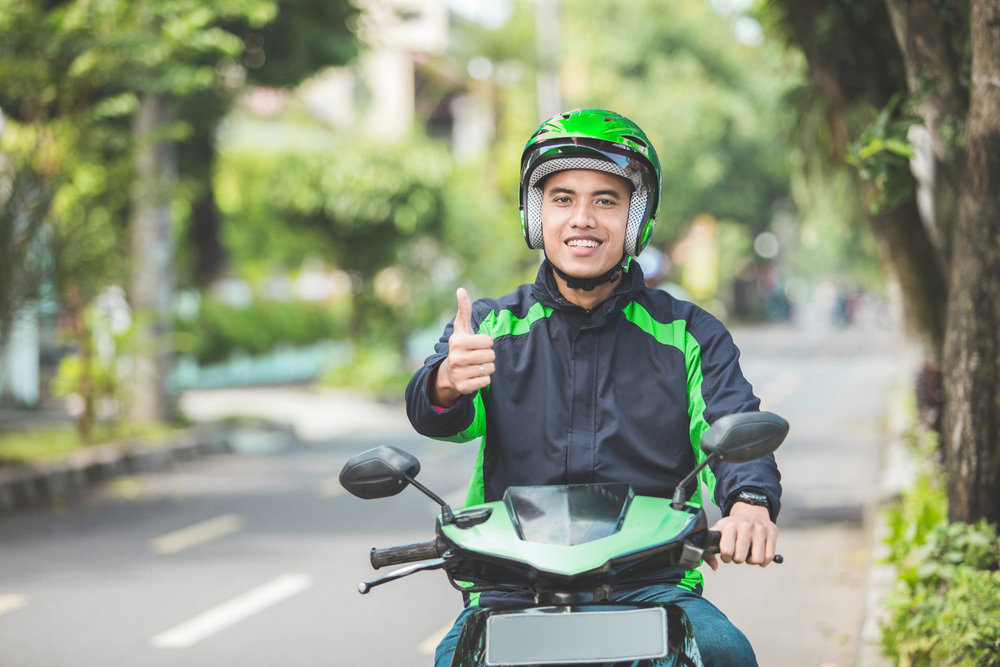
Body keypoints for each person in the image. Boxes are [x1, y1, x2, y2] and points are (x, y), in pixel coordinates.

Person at [404, 109, 781, 666]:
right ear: (537, 214)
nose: (583, 218)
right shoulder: (490, 328)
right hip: (512, 586)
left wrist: (749, 502)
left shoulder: (689, 334)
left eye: (606, 200)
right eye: (562, 198)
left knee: (726, 653)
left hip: (648, 583)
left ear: (636, 216)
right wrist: (445, 381)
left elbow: (732, 423)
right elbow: (438, 413)